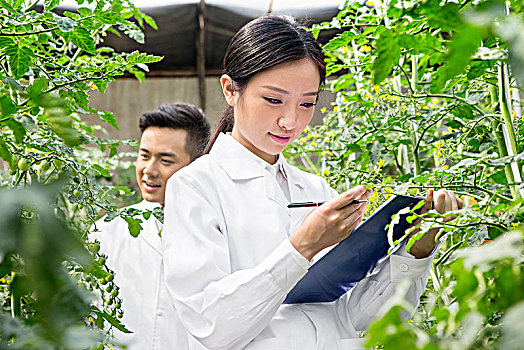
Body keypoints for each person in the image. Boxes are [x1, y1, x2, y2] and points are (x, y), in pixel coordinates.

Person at [161, 15, 462, 350]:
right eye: (274, 100)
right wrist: (302, 246)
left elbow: (359, 317)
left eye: (307, 103)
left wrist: (419, 246)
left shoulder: (315, 190)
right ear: (231, 90)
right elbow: (211, 325)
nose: (290, 121)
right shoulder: (195, 187)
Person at [90, 103, 210, 349]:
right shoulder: (107, 230)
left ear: (196, 166)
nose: (149, 170)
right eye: (144, 156)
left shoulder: (216, 230)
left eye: (165, 160)